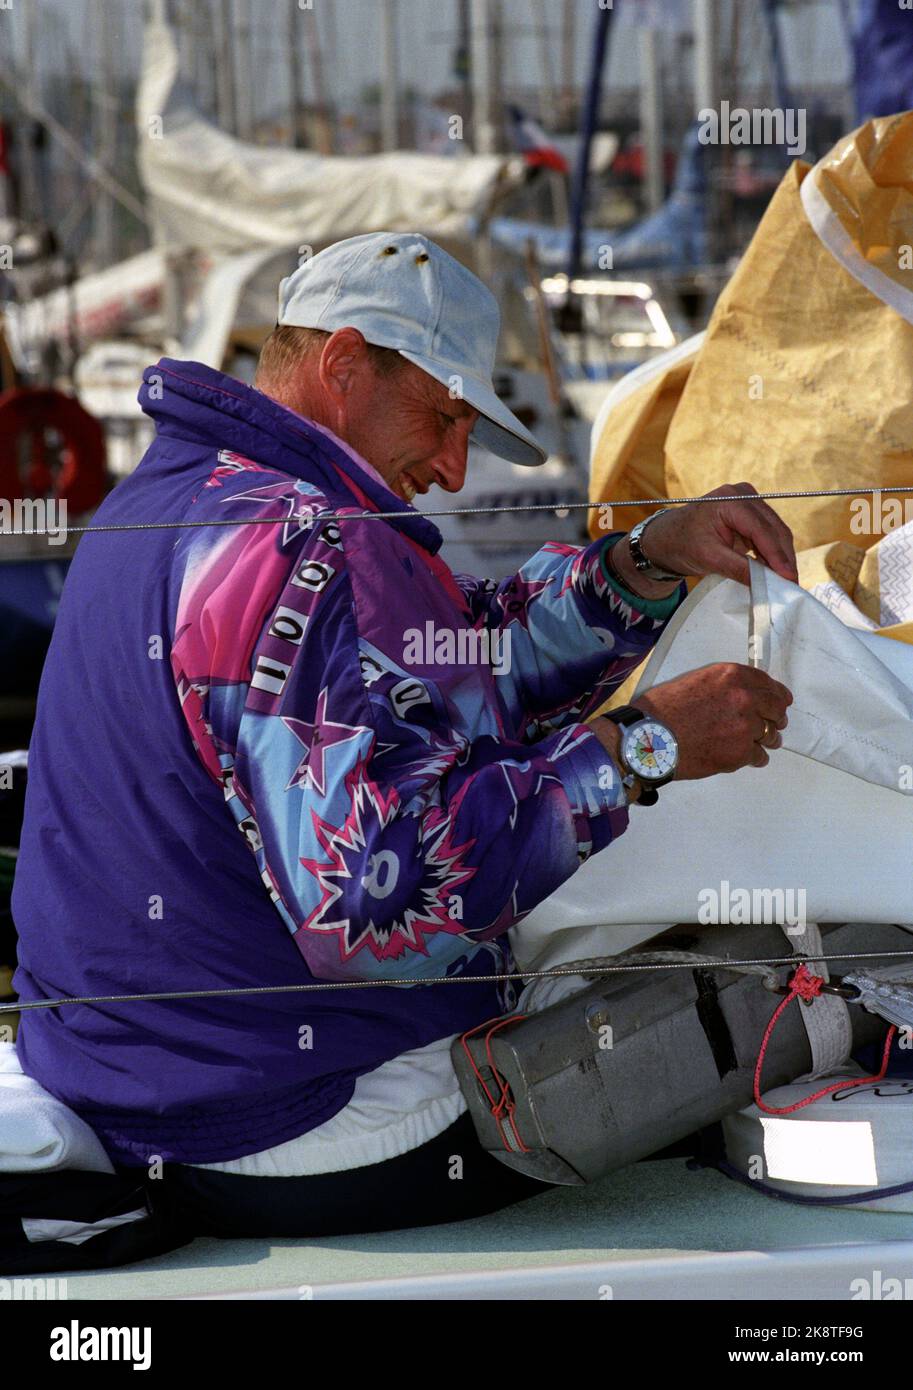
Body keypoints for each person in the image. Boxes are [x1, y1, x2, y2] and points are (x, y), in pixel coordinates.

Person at [12, 232, 796, 1240]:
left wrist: (641, 562)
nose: (454, 465)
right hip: (298, 1123)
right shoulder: (309, 545)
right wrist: (641, 748)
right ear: (343, 365)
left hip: (129, 1084)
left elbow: (443, 668)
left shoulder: (169, 502)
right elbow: (379, 912)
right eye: (444, 414)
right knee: (766, 999)